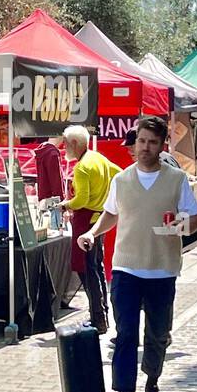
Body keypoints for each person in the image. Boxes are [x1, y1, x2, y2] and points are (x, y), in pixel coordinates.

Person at [77, 117, 197, 392]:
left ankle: (152, 381)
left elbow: (196, 220)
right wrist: (92, 234)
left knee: (158, 335)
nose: (145, 147)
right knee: (126, 334)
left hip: (162, 270)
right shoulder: (122, 180)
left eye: (152, 142)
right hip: (126, 268)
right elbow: (111, 213)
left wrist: (179, 226)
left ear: (162, 146)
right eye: (142, 141)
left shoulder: (176, 179)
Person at [61, 124, 120, 334]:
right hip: (99, 221)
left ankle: (98, 318)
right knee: (97, 267)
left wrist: (65, 204)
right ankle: (102, 313)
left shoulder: (82, 166)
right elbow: (120, 174)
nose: (64, 147)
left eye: (66, 143)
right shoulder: (98, 158)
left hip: (86, 223)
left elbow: (81, 200)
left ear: (75, 143)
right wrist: (106, 197)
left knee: (87, 269)